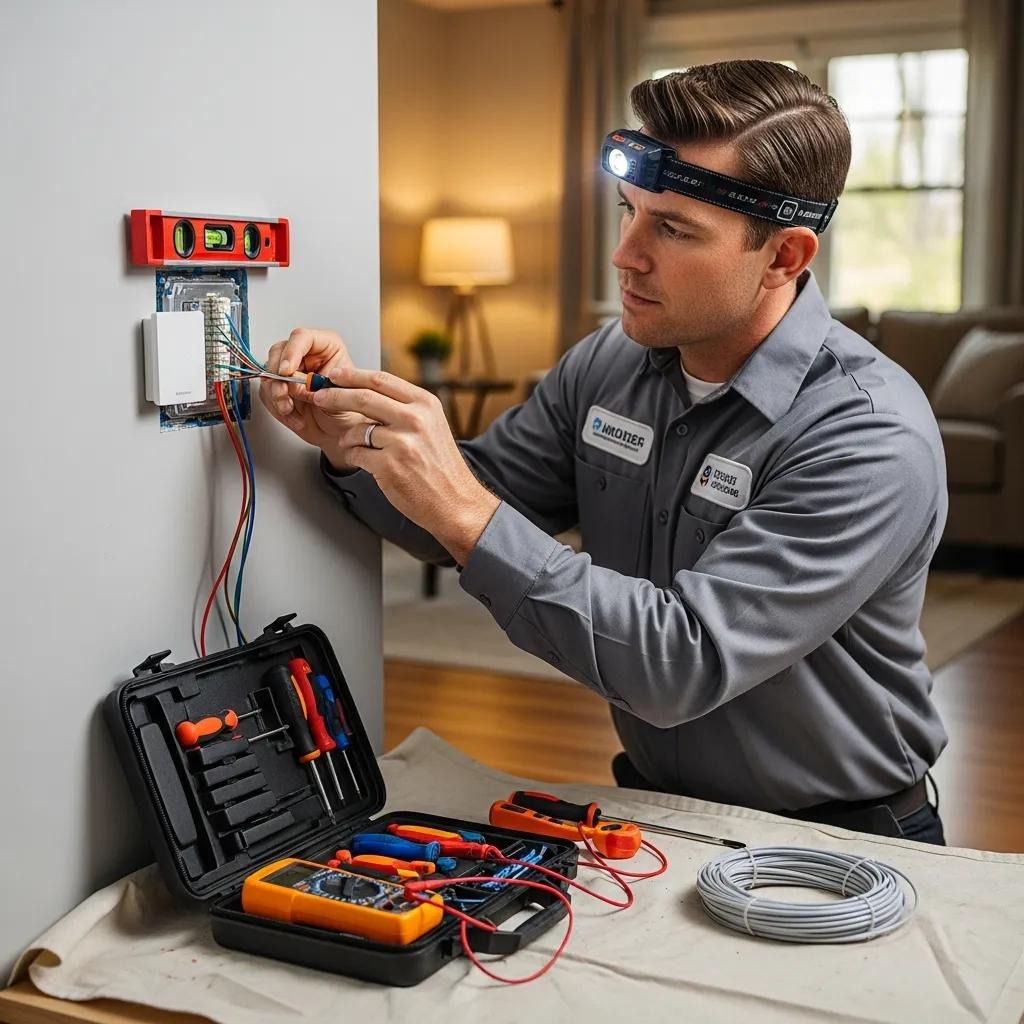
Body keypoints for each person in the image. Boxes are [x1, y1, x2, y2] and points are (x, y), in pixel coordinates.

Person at [260, 60, 948, 844]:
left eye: (674, 229)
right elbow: (468, 507)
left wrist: (460, 502)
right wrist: (358, 439)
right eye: (629, 211)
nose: (625, 255)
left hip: (844, 840)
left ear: (785, 258)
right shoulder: (607, 367)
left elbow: (679, 662)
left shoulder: (866, 435)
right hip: (658, 817)